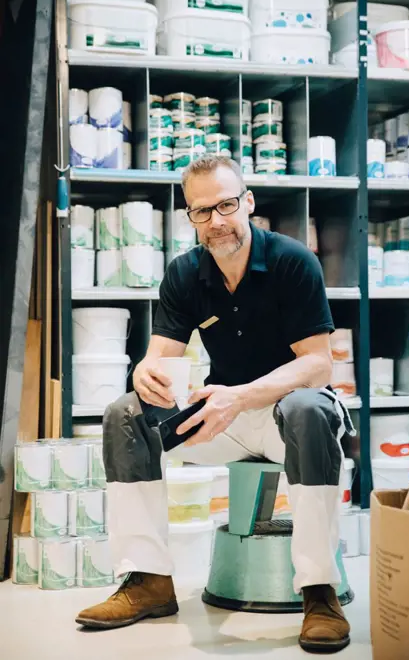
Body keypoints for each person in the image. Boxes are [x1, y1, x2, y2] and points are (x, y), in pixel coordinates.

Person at [76, 155, 354, 654]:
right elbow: (159, 359)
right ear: (190, 217)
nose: (216, 221)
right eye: (201, 211)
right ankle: (148, 581)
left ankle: (319, 590)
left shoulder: (292, 261)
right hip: (220, 418)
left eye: (226, 205)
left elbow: (317, 366)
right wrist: (144, 371)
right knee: (125, 414)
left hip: (286, 413)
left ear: (248, 203)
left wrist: (241, 397)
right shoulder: (184, 274)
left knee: (307, 408)